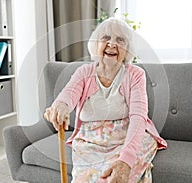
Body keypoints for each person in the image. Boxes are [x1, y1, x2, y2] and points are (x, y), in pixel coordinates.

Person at [44, 17, 167, 183]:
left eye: (120, 40)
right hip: (91, 139)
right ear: (96, 44)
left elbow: (139, 117)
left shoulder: (135, 74)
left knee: (119, 175)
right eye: (106, 38)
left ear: (127, 49)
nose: (112, 44)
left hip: (128, 134)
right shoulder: (84, 72)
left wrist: (125, 160)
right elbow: (68, 94)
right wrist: (61, 106)